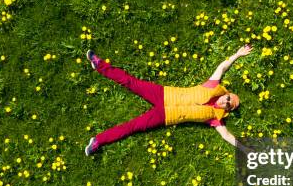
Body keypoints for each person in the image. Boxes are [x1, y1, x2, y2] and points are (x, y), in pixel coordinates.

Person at [84, 44, 253, 155]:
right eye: (228, 98)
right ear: (226, 93)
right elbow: (222, 68)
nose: (226, 102)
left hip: (165, 116)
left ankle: (98, 141)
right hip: (164, 94)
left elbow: (227, 137)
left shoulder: (216, 119)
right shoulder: (212, 86)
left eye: (229, 105)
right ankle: (99, 65)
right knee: (131, 82)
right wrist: (237, 55)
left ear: (228, 109)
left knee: (132, 127)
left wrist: (245, 149)